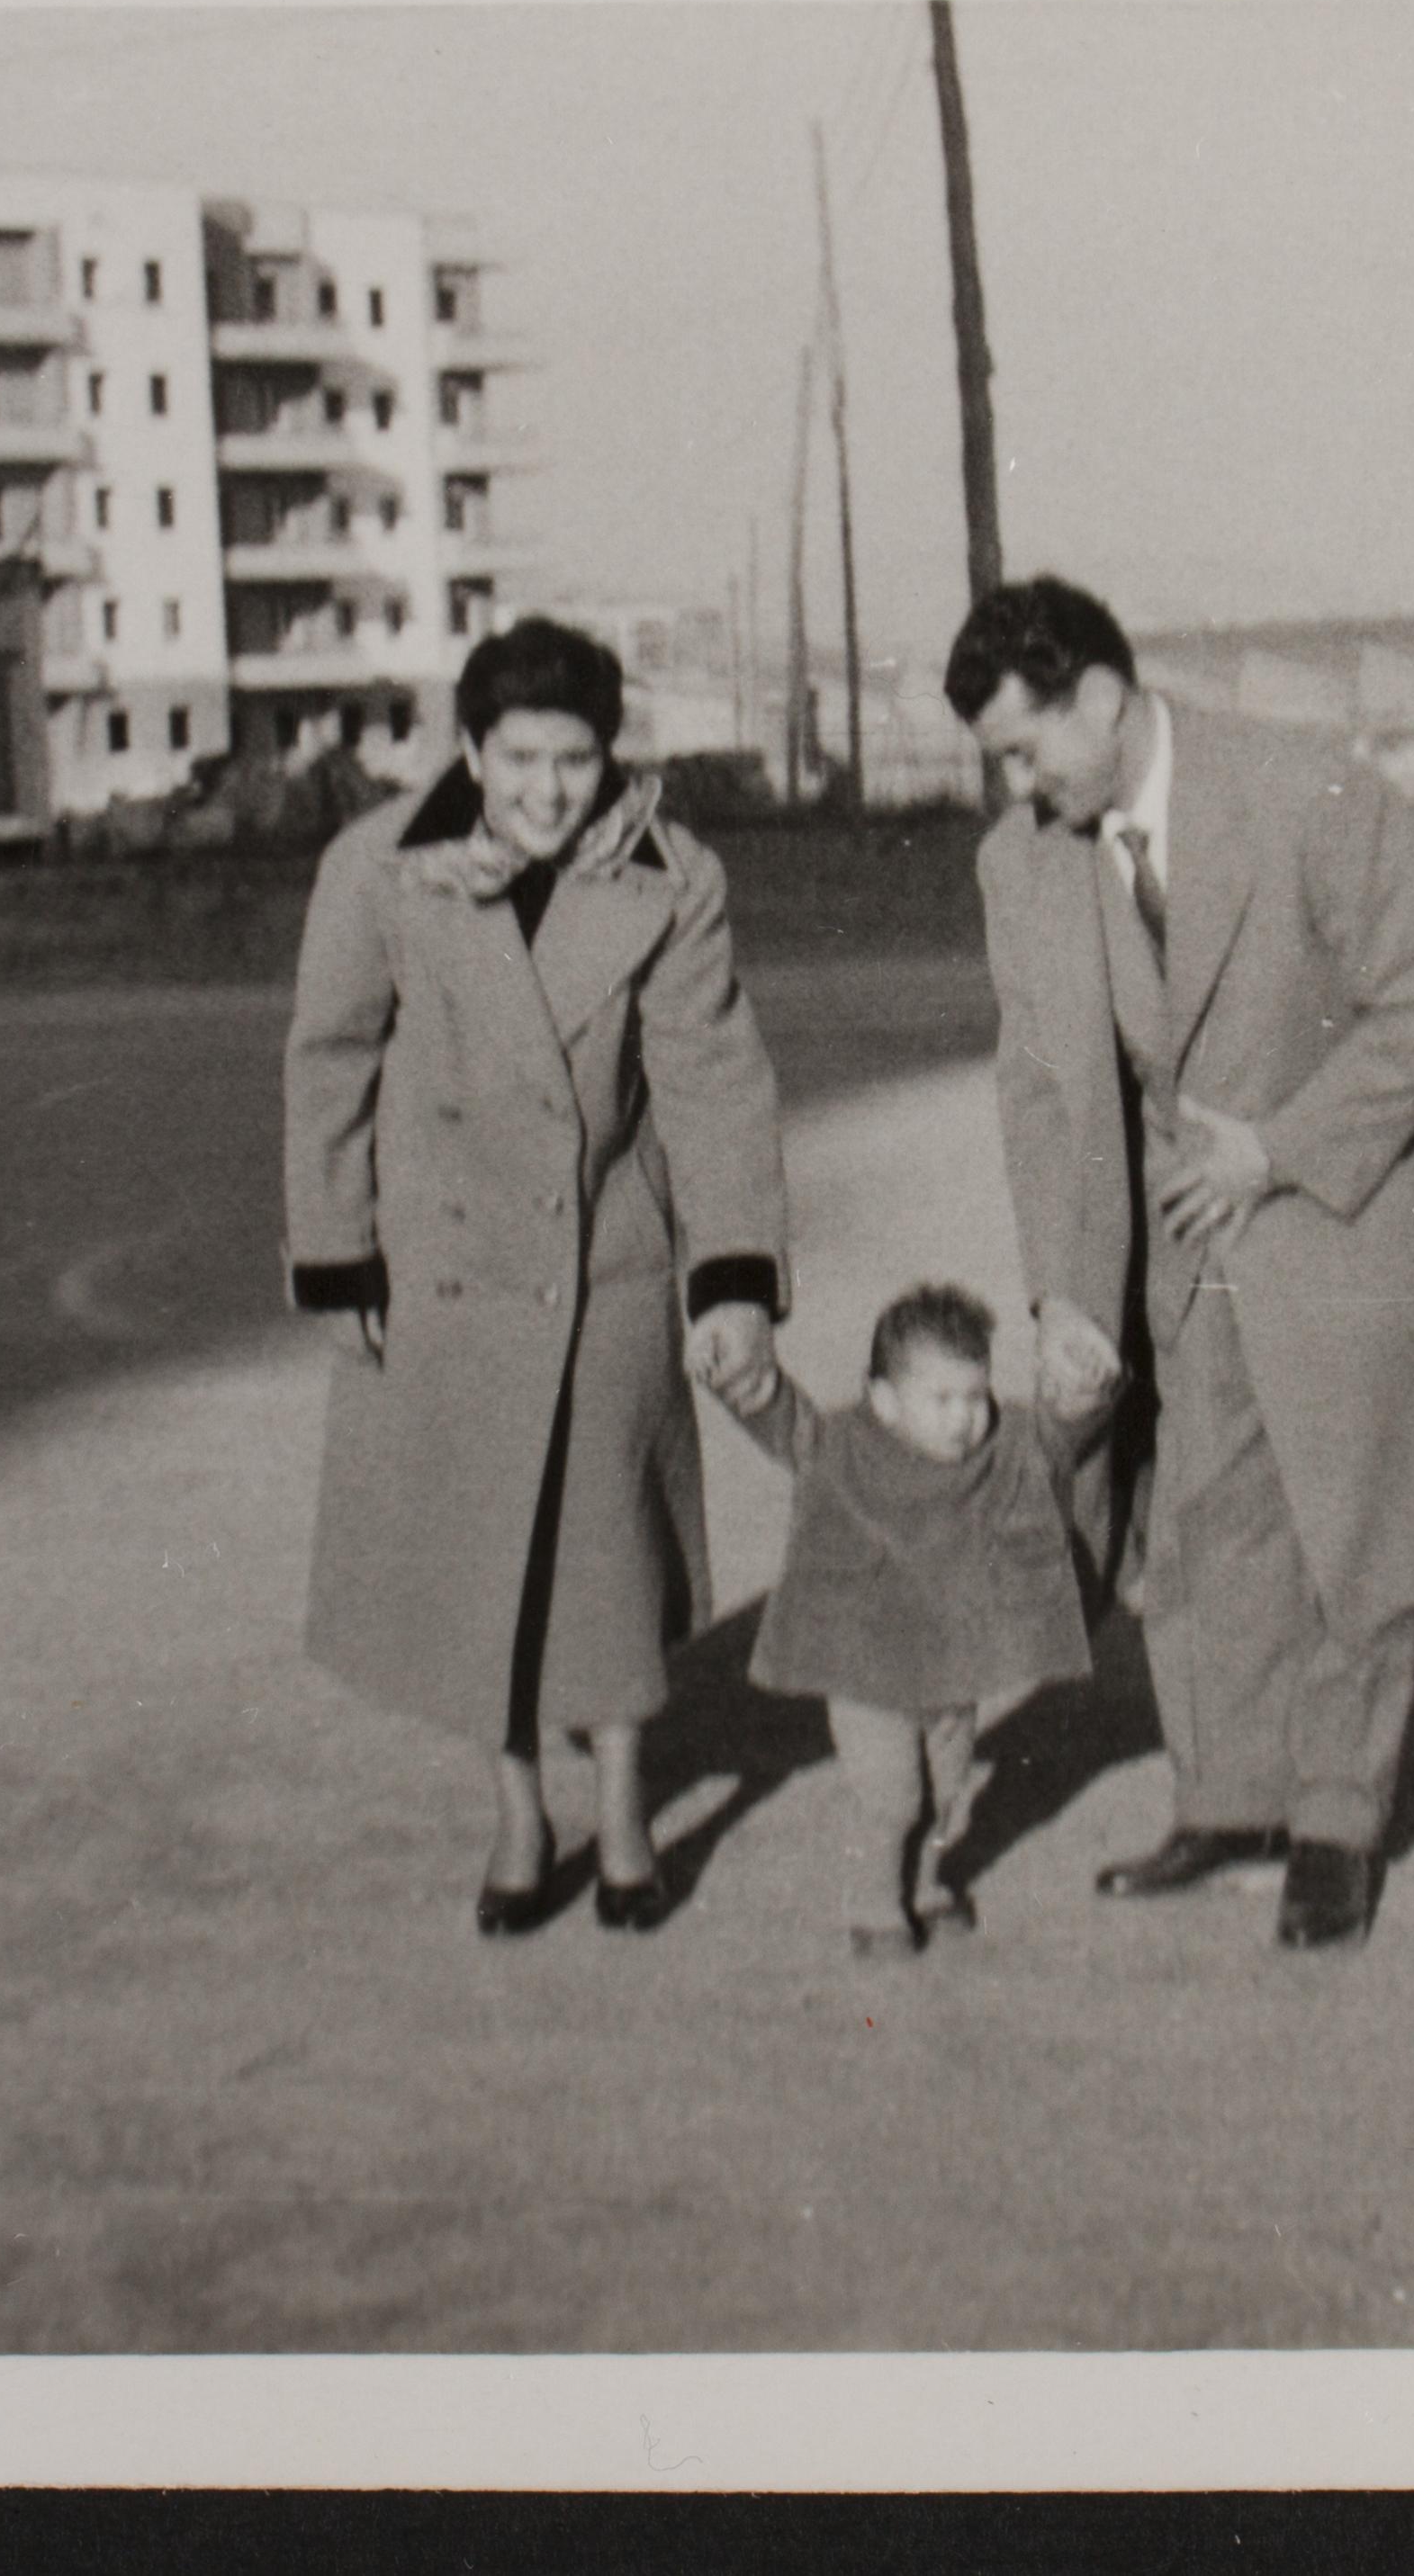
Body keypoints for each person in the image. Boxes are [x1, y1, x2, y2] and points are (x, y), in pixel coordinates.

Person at [945, 576, 1414, 1953]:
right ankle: (1227, 1798)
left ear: (1105, 703)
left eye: (1025, 748)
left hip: (1339, 1212)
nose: (1014, 783)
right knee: (1199, 1524)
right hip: (1177, 1245)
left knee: (1344, 1531)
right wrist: (1063, 1289)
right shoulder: (1021, 860)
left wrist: (1281, 1147)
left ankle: (1333, 1827)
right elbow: (1041, 1089)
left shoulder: (1306, 790)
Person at [283, 617, 790, 1936]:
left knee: (606, 1554)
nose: (547, 792)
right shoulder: (376, 871)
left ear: (607, 757)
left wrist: (728, 1273)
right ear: (469, 749)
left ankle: (622, 1806)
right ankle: (517, 1809)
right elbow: (326, 1063)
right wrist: (340, 1256)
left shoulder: (671, 875)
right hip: (442, 1271)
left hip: (606, 1261)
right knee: (473, 1562)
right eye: (518, 760)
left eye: (573, 761)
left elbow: (709, 1077)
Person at [700, 1282, 1099, 1958]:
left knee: (945, 1792)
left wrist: (1082, 1394)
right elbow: (783, 1419)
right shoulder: (842, 1444)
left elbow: (1056, 1437)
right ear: (883, 1399)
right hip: (865, 1666)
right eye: (940, 1399)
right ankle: (877, 1905)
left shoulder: (1002, 1444)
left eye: (974, 1396)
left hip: (951, 1665)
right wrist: (743, 1377)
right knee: (891, 1796)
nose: (962, 1419)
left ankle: (923, 1886)